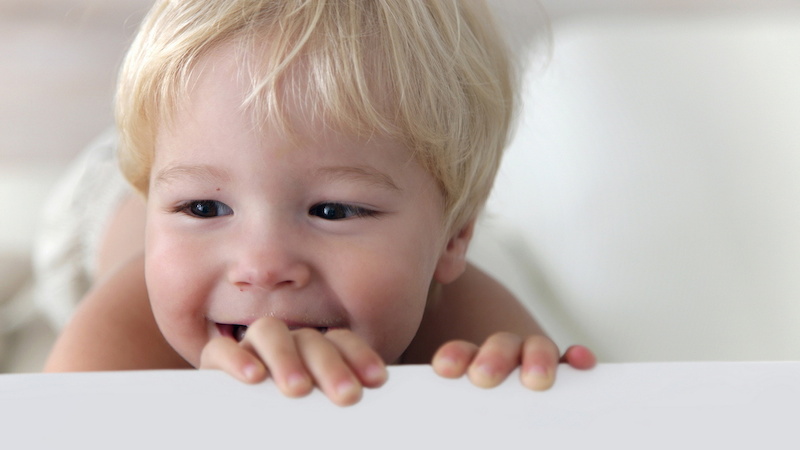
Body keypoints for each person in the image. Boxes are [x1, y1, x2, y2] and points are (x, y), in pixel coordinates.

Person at [43, 0, 594, 406]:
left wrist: (527, 395)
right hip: (101, 207)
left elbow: (572, 423)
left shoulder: (463, 324)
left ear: (455, 239)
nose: (261, 266)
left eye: (332, 211)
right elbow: (49, 428)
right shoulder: (124, 333)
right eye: (205, 210)